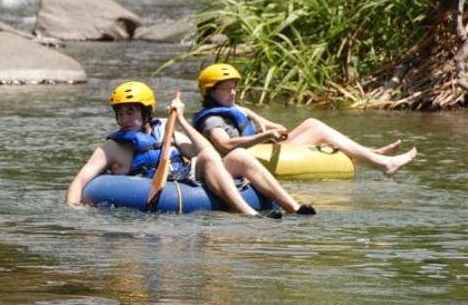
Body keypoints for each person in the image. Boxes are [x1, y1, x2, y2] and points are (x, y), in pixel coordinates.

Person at [65, 81, 316, 217]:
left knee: (237, 156)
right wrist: (72, 212)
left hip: (186, 180)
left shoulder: (167, 129)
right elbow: (81, 181)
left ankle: (293, 207)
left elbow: (206, 152)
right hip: (149, 190)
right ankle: (247, 212)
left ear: (146, 112)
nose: (124, 118)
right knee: (215, 158)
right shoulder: (112, 147)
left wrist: (182, 119)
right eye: (120, 113)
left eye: (131, 111)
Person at [192, 63, 418, 177]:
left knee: (311, 124)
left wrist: (269, 126)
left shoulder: (232, 107)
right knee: (317, 128)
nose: (232, 93)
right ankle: (382, 162)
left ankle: (370, 153)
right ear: (210, 92)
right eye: (226, 89)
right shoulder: (212, 121)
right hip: (242, 159)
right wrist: (266, 135)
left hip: (259, 149)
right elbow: (224, 145)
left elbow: (252, 117)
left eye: (234, 88)